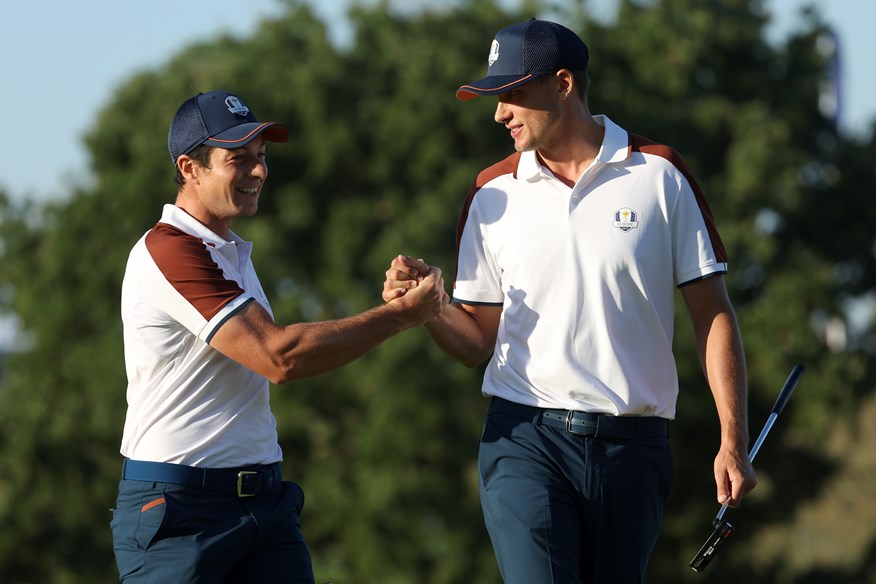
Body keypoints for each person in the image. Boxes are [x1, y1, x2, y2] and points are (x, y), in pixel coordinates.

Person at [383, 19, 756, 583]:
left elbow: (713, 315)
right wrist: (431, 308)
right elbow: (474, 343)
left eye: (512, 94)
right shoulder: (491, 192)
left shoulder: (660, 174)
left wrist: (733, 439)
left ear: (563, 84)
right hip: (524, 440)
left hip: (634, 448)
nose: (498, 113)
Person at [111, 90, 445, 583]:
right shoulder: (170, 251)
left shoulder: (227, 250)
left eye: (261, 157)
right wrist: (398, 317)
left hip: (264, 505)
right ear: (189, 168)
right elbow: (278, 356)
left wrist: (397, 311)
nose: (259, 171)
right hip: (179, 511)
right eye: (238, 159)